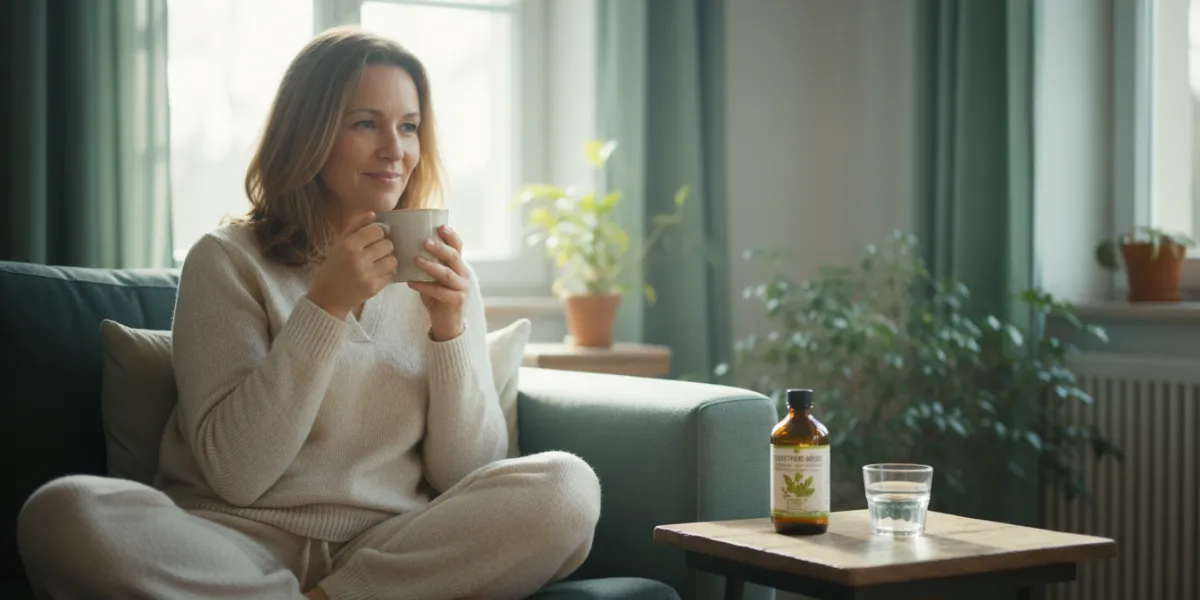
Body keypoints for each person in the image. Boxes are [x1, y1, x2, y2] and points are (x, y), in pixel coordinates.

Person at [17, 26, 601, 600]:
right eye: (365, 123)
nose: (394, 150)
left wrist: (449, 334)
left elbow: (465, 478)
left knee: (567, 488)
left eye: (409, 126)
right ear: (310, 134)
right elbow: (237, 474)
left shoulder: (446, 280)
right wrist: (325, 306)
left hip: (387, 544)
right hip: (232, 542)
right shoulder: (226, 262)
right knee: (64, 513)